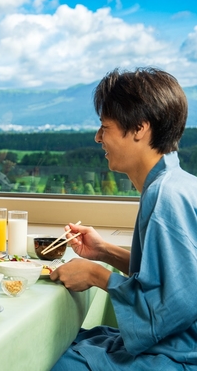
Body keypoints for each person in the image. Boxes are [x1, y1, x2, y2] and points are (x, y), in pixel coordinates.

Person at [50, 67, 197, 370]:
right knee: (71, 340)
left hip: (179, 354)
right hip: (175, 345)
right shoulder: (176, 183)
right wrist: (103, 251)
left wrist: (96, 275)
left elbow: (179, 302)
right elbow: (169, 275)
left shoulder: (166, 196)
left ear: (140, 129)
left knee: (55, 359)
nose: (97, 137)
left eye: (105, 127)